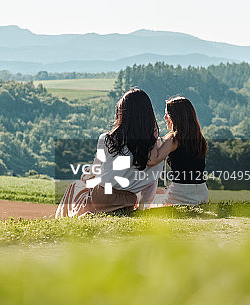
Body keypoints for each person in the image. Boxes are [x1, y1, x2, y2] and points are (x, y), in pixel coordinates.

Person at [56, 88, 175, 217]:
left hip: (102, 196)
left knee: (75, 186)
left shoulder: (107, 139)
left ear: (122, 113)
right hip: (128, 202)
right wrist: (141, 209)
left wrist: (87, 175)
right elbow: (151, 182)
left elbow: (97, 169)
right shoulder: (156, 146)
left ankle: (62, 222)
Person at [153, 96, 209, 206]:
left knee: (141, 196)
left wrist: (153, 137)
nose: (164, 117)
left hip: (180, 196)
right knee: (158, 191)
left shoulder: (173, 140)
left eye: (167, 114)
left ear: (176, 117)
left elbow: (153, 160)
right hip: (201, 196)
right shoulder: (199, 139)